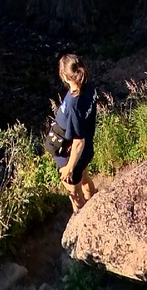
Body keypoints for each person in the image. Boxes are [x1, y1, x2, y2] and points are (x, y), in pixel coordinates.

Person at [54, 54, 98, 212]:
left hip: (73, 155)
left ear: (65, 76)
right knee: (84, 178)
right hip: (85, 152)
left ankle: (82, 218)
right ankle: (94, 201)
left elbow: (78, 142)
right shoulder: (89, 86)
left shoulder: (74, 103)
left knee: (74, 192)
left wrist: (69, 168)